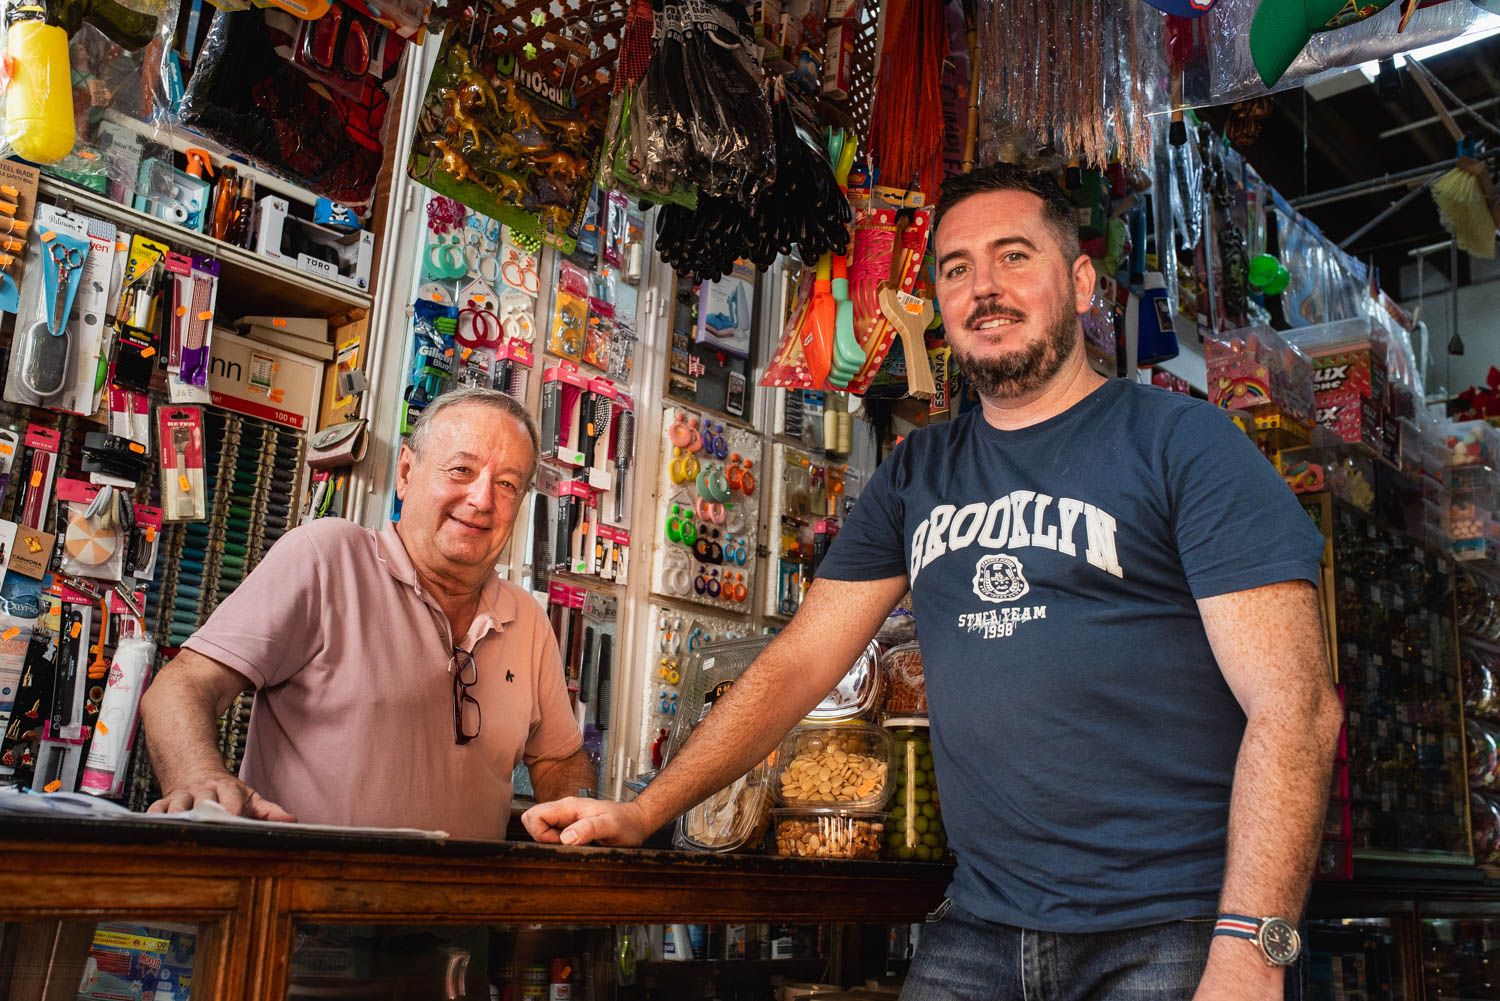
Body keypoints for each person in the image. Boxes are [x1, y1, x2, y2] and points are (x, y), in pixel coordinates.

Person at [523, 164, 1343, 1000]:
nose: (984, 287)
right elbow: (797, 666)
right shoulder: (920, 474)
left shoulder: (1183, 443)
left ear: (1082, 280)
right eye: (956, 269)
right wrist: (644, 810)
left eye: (1014, 256)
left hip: (1173, 926)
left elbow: (1299, 709)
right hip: (983, 927)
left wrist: (1251, 949)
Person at [141, 387, 594, 840]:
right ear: (406, 471)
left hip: (457, 909)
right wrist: (199, 775)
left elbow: (558, 757)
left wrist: (574, 817)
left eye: (507, 484)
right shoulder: (326, 557)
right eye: (461, 470)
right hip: (299, 903)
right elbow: (184, 684)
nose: (482, 499)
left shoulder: (528, 622)